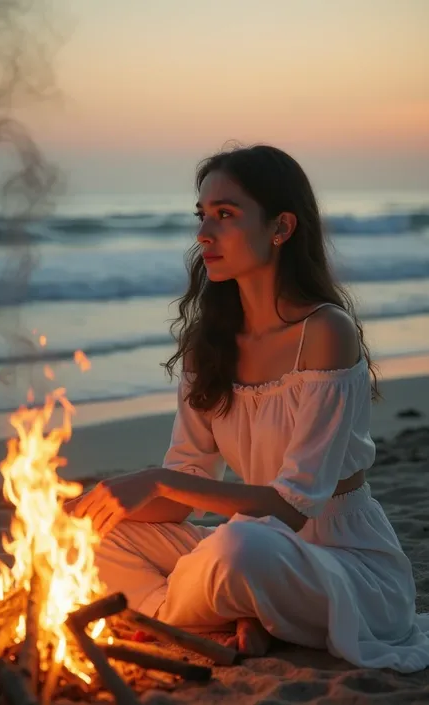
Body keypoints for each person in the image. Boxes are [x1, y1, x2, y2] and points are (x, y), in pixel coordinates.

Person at [72, 145, 429, 672]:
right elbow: (185, 483)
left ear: (281, 227)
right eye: (202, 216)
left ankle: (199, 613)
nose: (203, 235)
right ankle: (236, 614)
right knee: (96, 535)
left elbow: (293, 504)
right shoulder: (208, 344)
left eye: (225, 215)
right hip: (248, 545)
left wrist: (157, 481)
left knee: (238, 549)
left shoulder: (326, 333)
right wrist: (100, 507)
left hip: (342, 559)